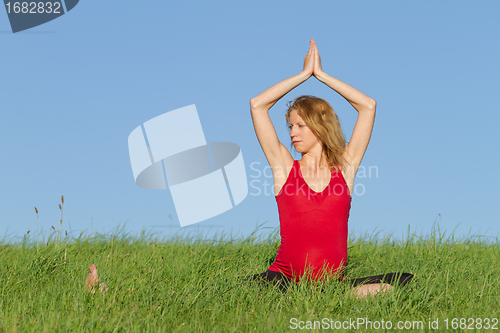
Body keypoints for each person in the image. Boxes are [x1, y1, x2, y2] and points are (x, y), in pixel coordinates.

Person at [246, 39, 412, 297]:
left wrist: (321, 75)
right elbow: (258, 104)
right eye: (290, 126)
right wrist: (303, 75)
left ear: (320, 127)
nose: (292, 133)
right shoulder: (284, 167)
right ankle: (316, 296)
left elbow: (368, 106)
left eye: (300, 125)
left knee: (396, 284)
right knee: (241, 289)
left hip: (330, 282)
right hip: (283, 280)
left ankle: (332, 294)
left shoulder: (345, 167)